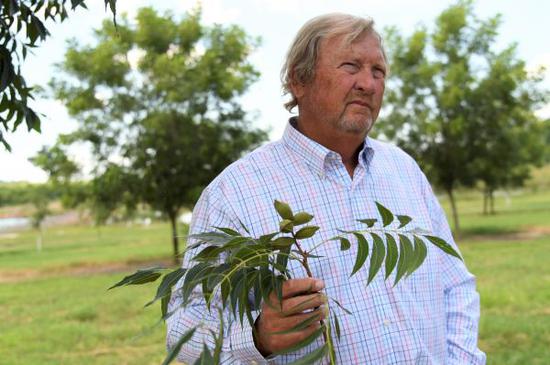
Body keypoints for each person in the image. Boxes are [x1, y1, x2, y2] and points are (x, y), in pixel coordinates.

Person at [167, 13, 486, 364]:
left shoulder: (404, 170)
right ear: (298, 81)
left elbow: (455, 286)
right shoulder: (234, 193)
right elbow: (184, 329)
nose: (368, 83)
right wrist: (256, 336)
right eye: (351, 66)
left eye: (378, 71)